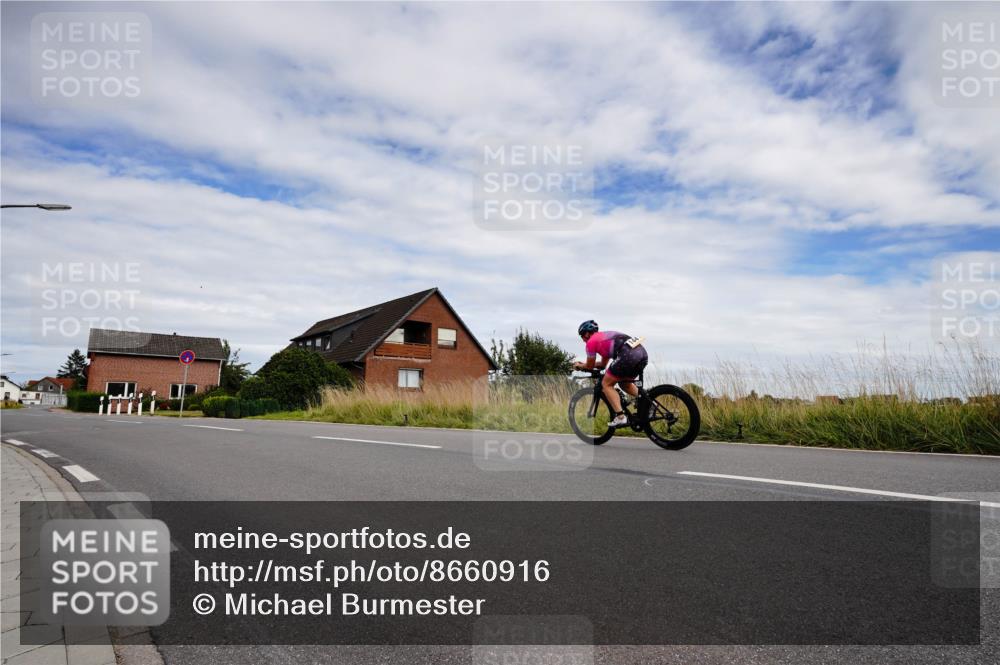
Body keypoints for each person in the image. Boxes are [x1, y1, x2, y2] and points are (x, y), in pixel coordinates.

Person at [572, 320, 648, 427]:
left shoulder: (591, 342)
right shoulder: (604, 339)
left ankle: (621, 417)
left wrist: (580, 366)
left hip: (627, 355)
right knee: (624, 383)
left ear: (587, 333)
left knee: (606, 384)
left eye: (582, 336)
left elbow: (589, 366)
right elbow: (602, 364)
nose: (583, 339)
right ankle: (649, 404)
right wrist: (585, 364)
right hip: (642, 354)